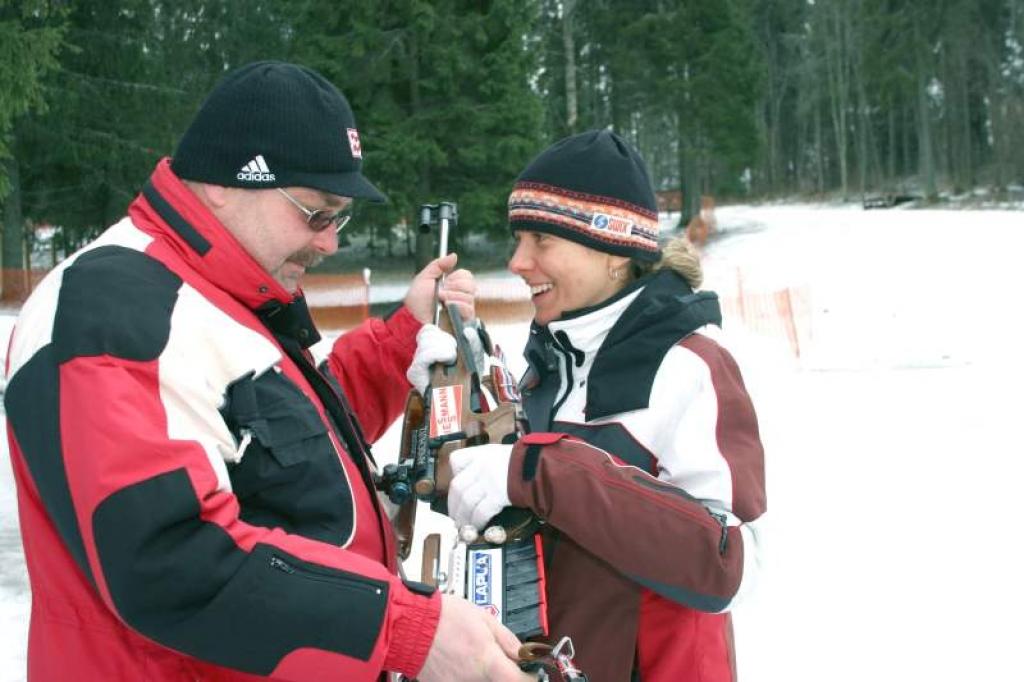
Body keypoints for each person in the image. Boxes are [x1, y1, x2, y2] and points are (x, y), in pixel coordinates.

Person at [4, 61, 532, 682]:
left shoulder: (222, 288)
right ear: (226, 181)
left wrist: (398, 344)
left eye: (341, 218)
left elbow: (282, 453)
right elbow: (168, 560)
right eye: (316, 213)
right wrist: (406, 630)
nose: (330, 242)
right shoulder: (114, 312)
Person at [447, 130, 767, 682]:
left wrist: (542, 470)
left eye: (542, 240)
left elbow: (730, 567)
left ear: (612, 251)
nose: (518, 261)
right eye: (518, 238)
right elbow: (528, 506)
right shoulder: (555, 358)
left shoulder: (689, 368)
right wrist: (455, 399)